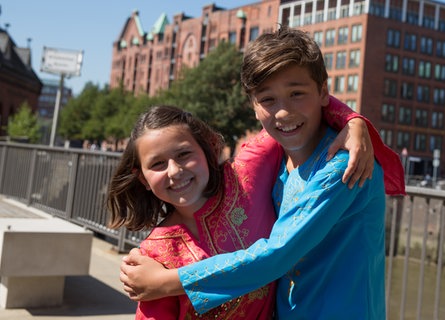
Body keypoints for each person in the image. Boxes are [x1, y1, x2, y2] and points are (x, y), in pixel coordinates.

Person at [120, 26, 405, 319]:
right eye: (268, 100)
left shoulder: (344, 165)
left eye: (296, 94)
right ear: (254, 107)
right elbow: (299, 103)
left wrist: (166, 282)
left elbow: (277, 254)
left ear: (323, 92)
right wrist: (352, 118)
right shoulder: (277, 154)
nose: (283, 111)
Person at [109, 102, 392, 318]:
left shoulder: (245, 175)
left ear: (207, 149)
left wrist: (354, 122)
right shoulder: (152, 258)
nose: (175, 171)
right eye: (157, 164)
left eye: (184, 154)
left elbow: (291, 106)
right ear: (142, 178)